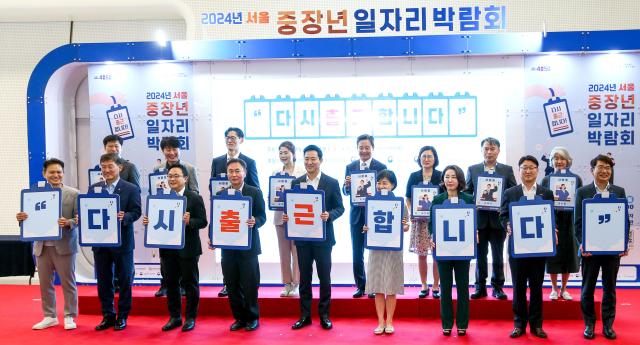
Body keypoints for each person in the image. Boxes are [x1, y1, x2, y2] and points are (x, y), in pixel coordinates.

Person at [142, 164, 208, 332]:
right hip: (167, 249)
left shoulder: (194, 197)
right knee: (170, 284)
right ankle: (175, 317)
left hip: (188, 249)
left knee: (190, 284)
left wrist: (189, 221)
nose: (172, 179)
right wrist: (149, 223)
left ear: (185, 178)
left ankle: (191, 318)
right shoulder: (161, 198)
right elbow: (158, 222)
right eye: (169, 176)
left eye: (176, 176)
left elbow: (202, 221)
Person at [16, 158, 79, 330]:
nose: (56, 175)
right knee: (45, 284)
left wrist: (69, 222)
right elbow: (29, 221)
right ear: (44, 174)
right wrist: (21, 219)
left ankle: (69, 316)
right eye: (51, 172)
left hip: (64, 245)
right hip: (41, 247)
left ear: (63, 173)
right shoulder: (34, 195)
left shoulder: (73, 193)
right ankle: (50, 315)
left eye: (59, 171)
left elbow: (79, 218)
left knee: (68, 283)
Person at [287, 145, 344, 330]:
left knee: (324, 278)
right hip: (303, 239)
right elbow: (292, 207)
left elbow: (340, 207)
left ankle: (324, 315)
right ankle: (305, 316)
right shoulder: (296, 183)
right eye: (307, 159)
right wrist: (289, 216)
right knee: (304, 278)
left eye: (313, 159)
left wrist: (330, 215)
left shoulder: (331, 182)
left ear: (320, 160)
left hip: (324, 239)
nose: (309, 162)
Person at [575, 154, 628, 340]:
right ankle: (589, 324)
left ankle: (608, 325)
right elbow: (578, 223)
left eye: (608, 167)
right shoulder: (583, 192)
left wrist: (623, 243)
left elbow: (624, 221)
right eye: (600, 167)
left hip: (612, 250)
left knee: (610, 289)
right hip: (590, 250)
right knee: (587, 289)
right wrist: (582, 243)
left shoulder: (619, 191)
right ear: (592, 170)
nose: (605, 170)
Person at [500, 155, 553, 339]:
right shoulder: (510, 193)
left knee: (537, 287)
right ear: (519, 171)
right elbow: (503, 215)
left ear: (537, 170)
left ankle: (537, 325)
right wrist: (506, 224)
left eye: (531, 167)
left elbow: (551, 217)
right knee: (518, 287)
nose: (528, 171)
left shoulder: (546, 193)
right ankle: (519, 324)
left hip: (539, 248)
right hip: (518, 248)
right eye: (524, 168)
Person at [90, 153, 141, 331]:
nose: (106, 170)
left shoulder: (131, 188)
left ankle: (123, 315)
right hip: (100, 242)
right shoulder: (94, 188)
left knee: (125, 279)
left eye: (110, 166)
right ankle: (108, 315)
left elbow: (136, 212)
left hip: (123, 243)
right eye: (103, 167)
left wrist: (125, 216)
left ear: (119, 167)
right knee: (104, 280)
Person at [465, 137, 517, 300]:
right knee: (480, 255)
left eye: (492, 149)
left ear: (498, 151)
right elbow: (467, 194)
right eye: (486, 148)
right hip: (479, 221)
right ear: (482, 150)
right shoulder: (473, 169)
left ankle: (498, 287)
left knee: (497, 255)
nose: (489, 152)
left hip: (498, 220)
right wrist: (475, 203)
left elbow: (512, 193)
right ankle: (480, 287)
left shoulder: (506, 170)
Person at [210, 127, 260, 297]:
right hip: (227, 230)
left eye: (233, 137)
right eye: (227, 137)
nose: (234, 174)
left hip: (246, 232)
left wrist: (252, 218)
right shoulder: (217, 162)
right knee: (231, 277)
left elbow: (257, 199)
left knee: (249, 279)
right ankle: (237, 312)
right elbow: (213, 192)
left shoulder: (250, 164)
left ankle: (251, 316)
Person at [429, 165, 474, 336]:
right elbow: (431, 224)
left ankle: (462, 324)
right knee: (445, 288)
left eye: (453, 177)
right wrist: (432, 236)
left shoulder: (469, 199)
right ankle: (446, 323)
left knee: (463, 288)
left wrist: (474, 233)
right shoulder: (437, 200)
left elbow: (472, 222)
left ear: (459, 180)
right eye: (447, 177)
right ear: (443, 180)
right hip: (443, 251)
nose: (449, 180)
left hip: (463, 250)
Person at [222, 158, 266, 332]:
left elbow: (263, 216)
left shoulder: (254, 192)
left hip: (249, 247)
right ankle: (239, 317)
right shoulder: (222, 194)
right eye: (231, 171)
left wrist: (255, 221)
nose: (234, 174)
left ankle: (253, 317)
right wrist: (213, 237)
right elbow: (218, 219)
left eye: (237, 171)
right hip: (228, 247)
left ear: (244, 173)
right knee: (232, 284)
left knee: (249, 283)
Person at [362, 169, 409, 335]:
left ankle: (390, 320)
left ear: (393, 185)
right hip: (376, 249)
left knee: (391, 287)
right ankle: (380, 321)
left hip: (393, 250)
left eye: (385, 182)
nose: (382, 185)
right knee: (378, 286)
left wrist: (405, 226)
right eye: (380, 182)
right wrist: (366, 228)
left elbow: (405, 226)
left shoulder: (399, 204)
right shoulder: (371, 202)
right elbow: (367, 225)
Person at [343, 134, 387, 298]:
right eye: (361, 147)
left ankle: (375, 286)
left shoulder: (381, 167)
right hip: (356, 215)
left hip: (376, 215)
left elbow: (386, 189)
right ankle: (361, 286)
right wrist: (347, 185)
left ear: (372, 148)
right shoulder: (351, 167)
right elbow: (345, 191)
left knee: (376, 252)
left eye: (367, 147)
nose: (364, 150)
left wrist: (378, 188)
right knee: (357, 252)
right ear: (357, 148)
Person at [153, 136, 198, 297]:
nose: (171, 152)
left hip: (182, 219)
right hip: (164, 218)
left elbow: (194, 191)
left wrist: (184, 210)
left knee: (184, 255)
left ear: (180, 150)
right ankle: (165, 284)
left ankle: (184, 285)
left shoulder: (189, 168)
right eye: (167, 149)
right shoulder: (157, 169)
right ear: (163, 151)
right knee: (165, 253)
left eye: (174, 149)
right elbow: (154, 194)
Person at [541, 147, 581, 301]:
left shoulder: (576, 179)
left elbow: (578, 201)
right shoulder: (546, 180)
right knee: (553, 256)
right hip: (553, 220)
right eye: (555, 158)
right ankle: (553, 288)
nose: (559, 161)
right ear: (551, 161)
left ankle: (564, 289)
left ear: (568, 161)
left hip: (570, 221)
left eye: (562, 158)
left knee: (568, 255)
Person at [405, 145, 442, 298]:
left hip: (436, 222)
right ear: (419, 159)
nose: (426, 159)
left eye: (430, 156)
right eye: (423, 157)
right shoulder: (414, 176)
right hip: (419, 221)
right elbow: (408, 197)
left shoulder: (441, 176)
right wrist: (412, 211)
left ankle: (435, 285)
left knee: (436, 254)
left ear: (435, 159)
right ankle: (424, 284)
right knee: (421, 254)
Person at [272, 141, 306, 297]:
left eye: (286, 152)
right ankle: (287, 284)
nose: (283, 156)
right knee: (283, 252)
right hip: (280, 217)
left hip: (298, 217)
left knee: (297, 252)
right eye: (280, 153)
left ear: (293, 153)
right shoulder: (275, 172)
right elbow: (272, 196)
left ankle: (297, 284)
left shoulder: (302, 171)